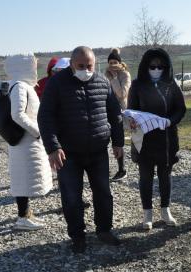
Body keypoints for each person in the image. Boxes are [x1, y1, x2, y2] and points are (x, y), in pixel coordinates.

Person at [38, 46, 124, 253]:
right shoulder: (57, 84)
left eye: (90, 65)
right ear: (71, 64)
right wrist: (52, 147)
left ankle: (104, 230)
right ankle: (77, 236)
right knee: (71, 197)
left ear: (95, 64)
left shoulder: (103, 83)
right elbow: (45, 116)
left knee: (103, 193)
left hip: (98, 151)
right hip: (68, 153)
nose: (86, 69)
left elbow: (115, 114)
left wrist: (118, 142)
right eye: (81, 66)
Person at [127, 48, 186, 230]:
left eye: (161, 66)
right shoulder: (137, 85)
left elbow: (181, 108)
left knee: (164, 176)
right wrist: (133, 121)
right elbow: (131, 110)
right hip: (144, 138)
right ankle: (147, 213)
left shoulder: (171, 85)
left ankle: (165, 209)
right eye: (153, 66)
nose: (156, 69)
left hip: (166, 137)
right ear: (146, 66)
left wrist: (170, 121)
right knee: (145, 177)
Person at [4, 53, 53, 230]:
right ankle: (22, 218)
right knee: (22, 179)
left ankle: (26, 214)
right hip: (25, 142)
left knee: (25, 179)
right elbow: (17, 115)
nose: (35, 68)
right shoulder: (19, 86)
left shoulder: (23, 85)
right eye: (33, 65)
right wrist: (37, 132)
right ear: (23, 66)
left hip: (27, 141)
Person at [104, 48, 131, 181]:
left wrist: (114, 78)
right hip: (106, 110)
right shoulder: (105, 74)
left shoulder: (125, 75)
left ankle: (122, 169)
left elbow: (122, 94)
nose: (113, 65)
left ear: (120, 62)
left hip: (120, 111)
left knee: (118, 140)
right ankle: (104, 169)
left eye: (115, 62)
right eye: (110, 62)